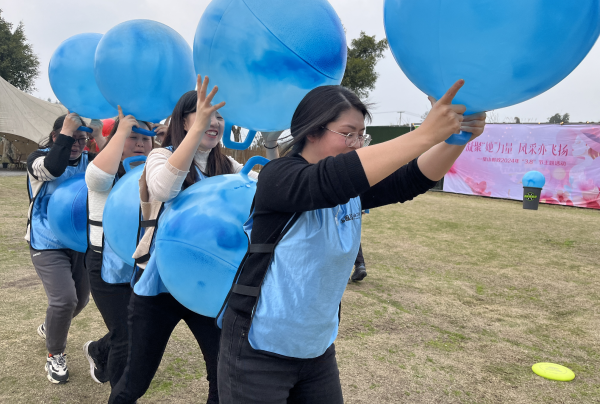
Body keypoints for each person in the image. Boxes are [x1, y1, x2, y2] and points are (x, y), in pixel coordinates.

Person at [217, 80, 486, 403]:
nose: (357, 144)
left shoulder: (352, 187)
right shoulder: (280, 177)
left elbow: (410, 180)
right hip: (257, 348)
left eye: (361, 135)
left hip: (316, 348)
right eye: (348, 134)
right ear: (312, 131)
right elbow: (330, 181)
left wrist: (457, 140)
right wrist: (426, 134)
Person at [109, 75, 280, 404]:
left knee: (222, 379)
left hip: (208, 286)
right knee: (135, 382)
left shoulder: (227, 165)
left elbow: (274, 187)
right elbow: (164, 188)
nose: (214, 122)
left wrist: (277, 152)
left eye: (219, 116)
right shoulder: (160, 157)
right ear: (184, 120)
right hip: (158, 287)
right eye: (205, 114)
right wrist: (197, 131)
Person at [26, 112, 105, 384]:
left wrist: (99, 137)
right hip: (46, 242)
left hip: (79, 242)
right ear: (56, 136)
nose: (77, 144)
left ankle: (51, 326)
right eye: (73, 138)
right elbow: (53, 169)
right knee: (65, 300)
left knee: (80, 300)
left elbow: (114, 169)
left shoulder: (89, 161)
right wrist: (66, 134)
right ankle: (55, 354)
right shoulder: (37, 159)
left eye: (83, 140)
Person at [83, 107, 154, 387]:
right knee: (125, 337)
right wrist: (122, 128)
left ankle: (98, 350)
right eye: (132, 137)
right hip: (104, 265)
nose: (140, 143)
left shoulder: (155, 174)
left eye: (145, 138)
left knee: (137, 330)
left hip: (141, 265)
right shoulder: (102, 170)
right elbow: (99, 178)